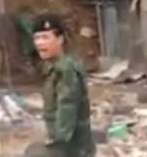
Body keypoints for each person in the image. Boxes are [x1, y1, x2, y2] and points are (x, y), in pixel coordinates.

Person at [24, 14, 95, 157]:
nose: (40, 43)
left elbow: (66, 109)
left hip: (73, 149)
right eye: (37, 38)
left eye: (45, 37)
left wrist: (56, 146)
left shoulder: (66, 70)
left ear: (60, 39)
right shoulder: (52, 68)